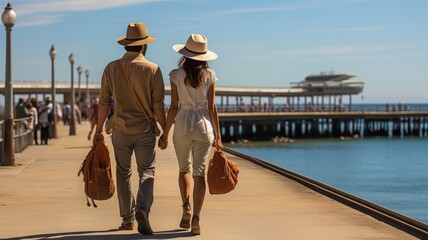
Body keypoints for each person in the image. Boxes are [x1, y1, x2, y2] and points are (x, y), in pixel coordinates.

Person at [93, 22, 167, 235]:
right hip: (144, 131)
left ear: (126, 45)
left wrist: (98, 130)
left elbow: (104, 102)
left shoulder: (111, 68)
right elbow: (158, 105)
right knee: (147, 170)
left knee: (123, 172)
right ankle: (143, 207)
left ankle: (128, 219)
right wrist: (165, 131)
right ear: (144, 46)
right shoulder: (153, 69)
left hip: (120, 130)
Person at [159, 34, 223, 235]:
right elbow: (212, 108)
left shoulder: (176, 75)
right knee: (199, 173)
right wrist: (219, 138)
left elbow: (174, 107)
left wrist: (165, 132)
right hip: (204, 125)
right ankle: (196, 220)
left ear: (185, 54)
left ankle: (186, 207)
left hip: (183, 125)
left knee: (183, 169)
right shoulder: (209, 74)